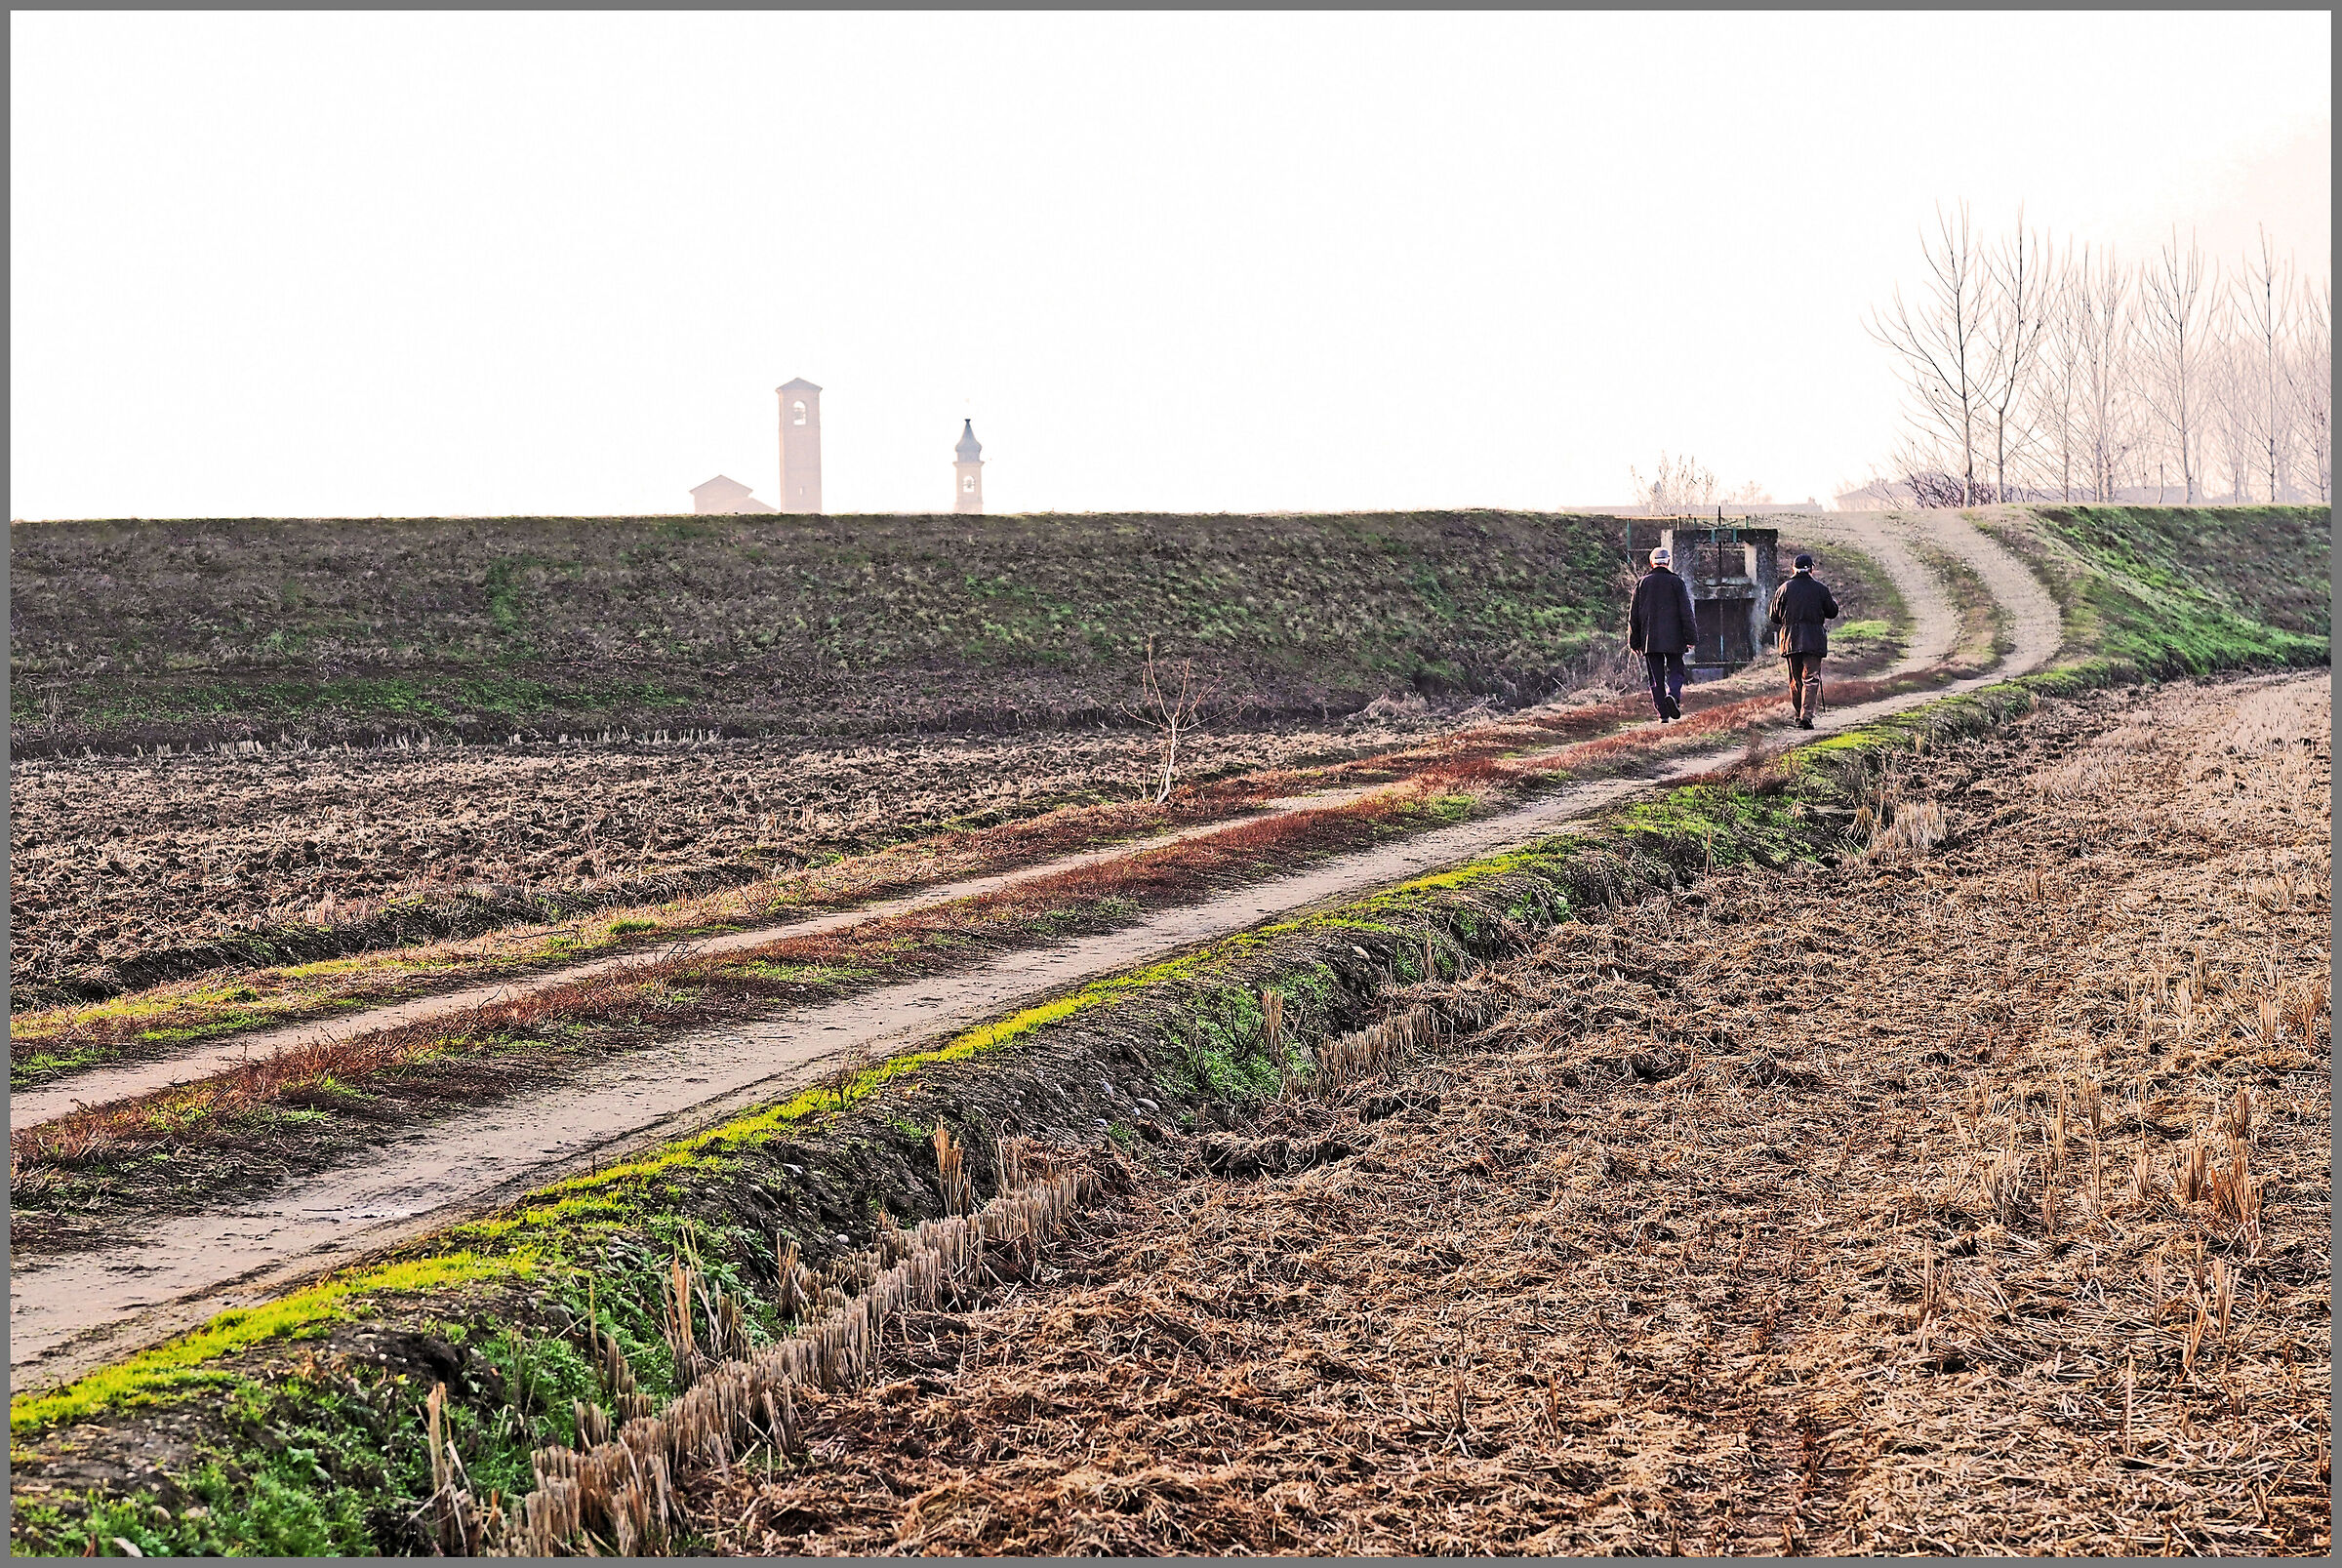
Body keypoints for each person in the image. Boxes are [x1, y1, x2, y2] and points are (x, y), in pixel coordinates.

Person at [1768, 551, 1839, 729]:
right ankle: (1806, 716)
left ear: (1793, 569)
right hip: (1814, 640)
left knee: (1795, 679)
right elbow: (1832, 612)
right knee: (1811, 678)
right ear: (1811, 569)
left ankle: (1799, 715)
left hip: (1790, 640)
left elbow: (1774, 617)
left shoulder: (1783, 589)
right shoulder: (1820, 589)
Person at [1628, 544, 1698, 722]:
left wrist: (1634, 641)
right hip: (1675, 638)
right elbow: (1686, 613)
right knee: (1676, 670)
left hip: (1650, 640)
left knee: (1656, 678)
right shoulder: (1677, 583)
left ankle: (1662, 715)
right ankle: (1673, 695)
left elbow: (1633, 615)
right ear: (1668, 562)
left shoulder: (1642, 584)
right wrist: (1690, 637)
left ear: (1652, 563)